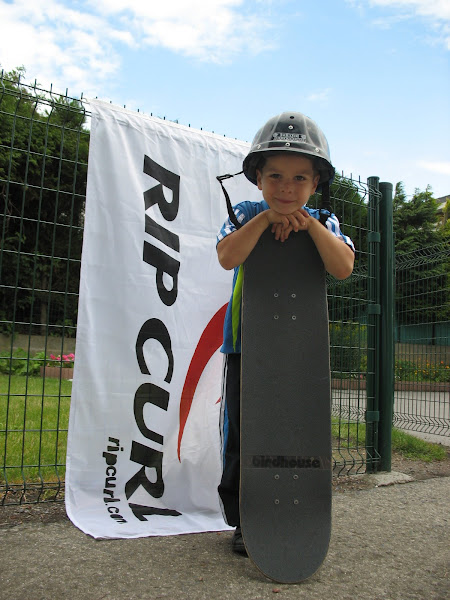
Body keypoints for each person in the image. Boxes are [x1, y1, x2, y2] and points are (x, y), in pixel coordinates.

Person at [215, 112, 355, 555]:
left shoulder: (324, 219)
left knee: (299, 428)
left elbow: (343, 267)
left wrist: (309, 225)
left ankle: (300, 511)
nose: (287, 188)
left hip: (301, 352)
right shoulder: (244, 212)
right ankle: (245, 521)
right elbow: (227, 257)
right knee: (245, 431)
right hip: (246, 346)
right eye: (275, 176)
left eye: (299, 178)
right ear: (257, 177)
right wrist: (263, 221)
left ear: (316, 183)